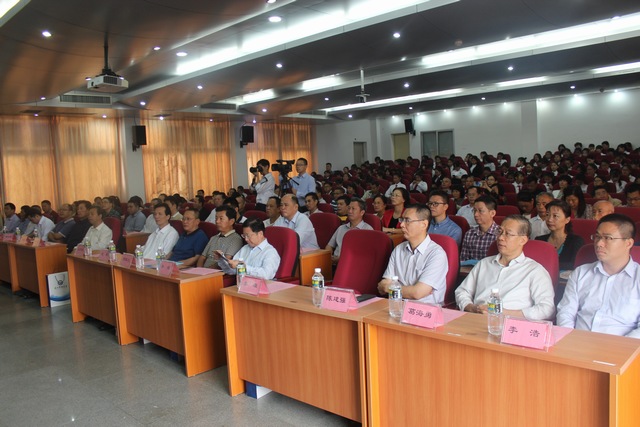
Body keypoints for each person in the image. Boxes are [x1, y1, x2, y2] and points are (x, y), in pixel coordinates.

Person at [455, 215, 555, 320]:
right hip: (476, 319)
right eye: (500, 232)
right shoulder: (484, 264)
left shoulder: (535, 270)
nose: (500, 238)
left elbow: (547, 309)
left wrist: (504, 313)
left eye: (508, 234)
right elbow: (462, 291)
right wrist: (472, 308)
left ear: (523, 240)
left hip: (513, 324)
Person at [557, 214, 640, 337]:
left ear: (628, 243)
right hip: (577, 342)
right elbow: (566, 312)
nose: (599, 243)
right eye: (597, 237)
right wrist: (569, 339)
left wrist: (622, 347)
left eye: (608, 238)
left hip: (623, 346)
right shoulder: (581, 273)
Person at [377, 204, 448, 304]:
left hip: (424, 310)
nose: (402, 225)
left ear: (424, 224)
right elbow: (384, 285)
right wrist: (396, 289)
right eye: (402, 220)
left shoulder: (436, 254)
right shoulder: (398, 249)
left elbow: (417, 293)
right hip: (397, 306)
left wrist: (390, 288)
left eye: (407, 220)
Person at [535, 200, 584, 270]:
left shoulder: (576, 241)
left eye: (555, 216)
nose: (549, 219)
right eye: (547, 215)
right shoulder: (539, 241)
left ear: (567, 220)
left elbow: (574, 265)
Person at [326, 198, 373, 264]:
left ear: (362, 212)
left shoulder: (368, 230)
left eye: (353, 209)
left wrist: (341, 260)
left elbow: (365, 255)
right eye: (349, 208)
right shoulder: (341, 228)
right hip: (334, 264)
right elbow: (329, 246)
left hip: (353, 265)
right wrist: (328, 257)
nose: (350, 211)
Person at [460, 195, 500, 262]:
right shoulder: (469, 233)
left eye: (480, 211)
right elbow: (463, 260)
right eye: (474, 210)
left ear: (492, 213)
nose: (476, 214)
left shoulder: (501, 234)